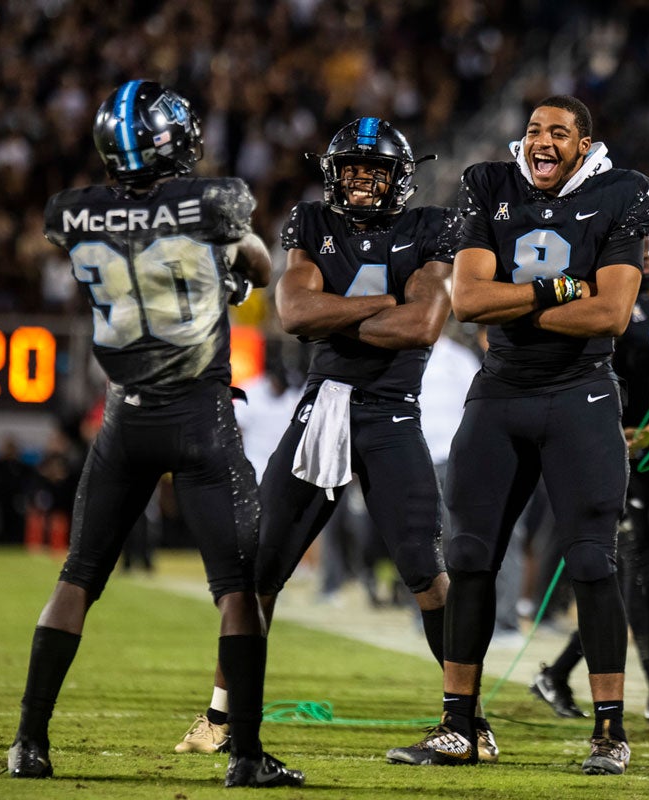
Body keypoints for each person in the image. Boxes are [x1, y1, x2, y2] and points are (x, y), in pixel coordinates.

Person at [5, 80, 303, 789]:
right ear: (176, 141)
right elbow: (259, 268)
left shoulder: (72, 212)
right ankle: (245, 756)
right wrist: (226, 269)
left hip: (125, 420)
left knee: (77, 579)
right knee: (236, 594)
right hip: (200, 418)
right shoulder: (216, 203)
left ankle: (28, 741)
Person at [174, 116, 476, 760]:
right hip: (323, 409)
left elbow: (422, 325)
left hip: (392, 410)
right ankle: (223, 714)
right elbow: (293, 312)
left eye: (375, 171)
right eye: (351, 170)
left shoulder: (433, 225)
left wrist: (336, 313)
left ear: (400, 178)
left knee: (426, 573)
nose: (361, 181)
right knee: (259, 571)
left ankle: (465, 719)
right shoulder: (312, 222)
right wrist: (380, 304)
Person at [387, 95, 649, 775]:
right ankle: (459, 726)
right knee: (471, 556)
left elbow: (614, 312)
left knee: (595, 562)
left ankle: (608, 732)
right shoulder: (488, 182)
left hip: (581, 393)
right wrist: (561, 290)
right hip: (502, 392)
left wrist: (530, 300)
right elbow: (471, 299)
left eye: (558, 132)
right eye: (534, 129)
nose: (540, 141)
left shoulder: (624, 192)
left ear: (585, 144)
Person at [531, 212, 649, 734]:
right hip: (626, 449)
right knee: (637, 572)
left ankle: (559, 672)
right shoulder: (608, 296)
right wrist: (607, 429)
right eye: (638, 242)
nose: (647, 253)